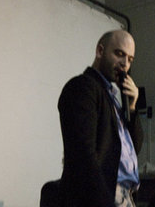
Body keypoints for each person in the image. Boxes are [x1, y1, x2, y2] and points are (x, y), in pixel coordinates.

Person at [57, 30, 144, 206]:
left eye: (130, 59)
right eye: (119, 54)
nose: (124, 64)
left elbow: (135, 147)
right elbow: (83, 155)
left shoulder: (112, 98)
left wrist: (132, 107)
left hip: (125, 195)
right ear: (100, 51)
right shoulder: (83, 87)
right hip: (102, 197)